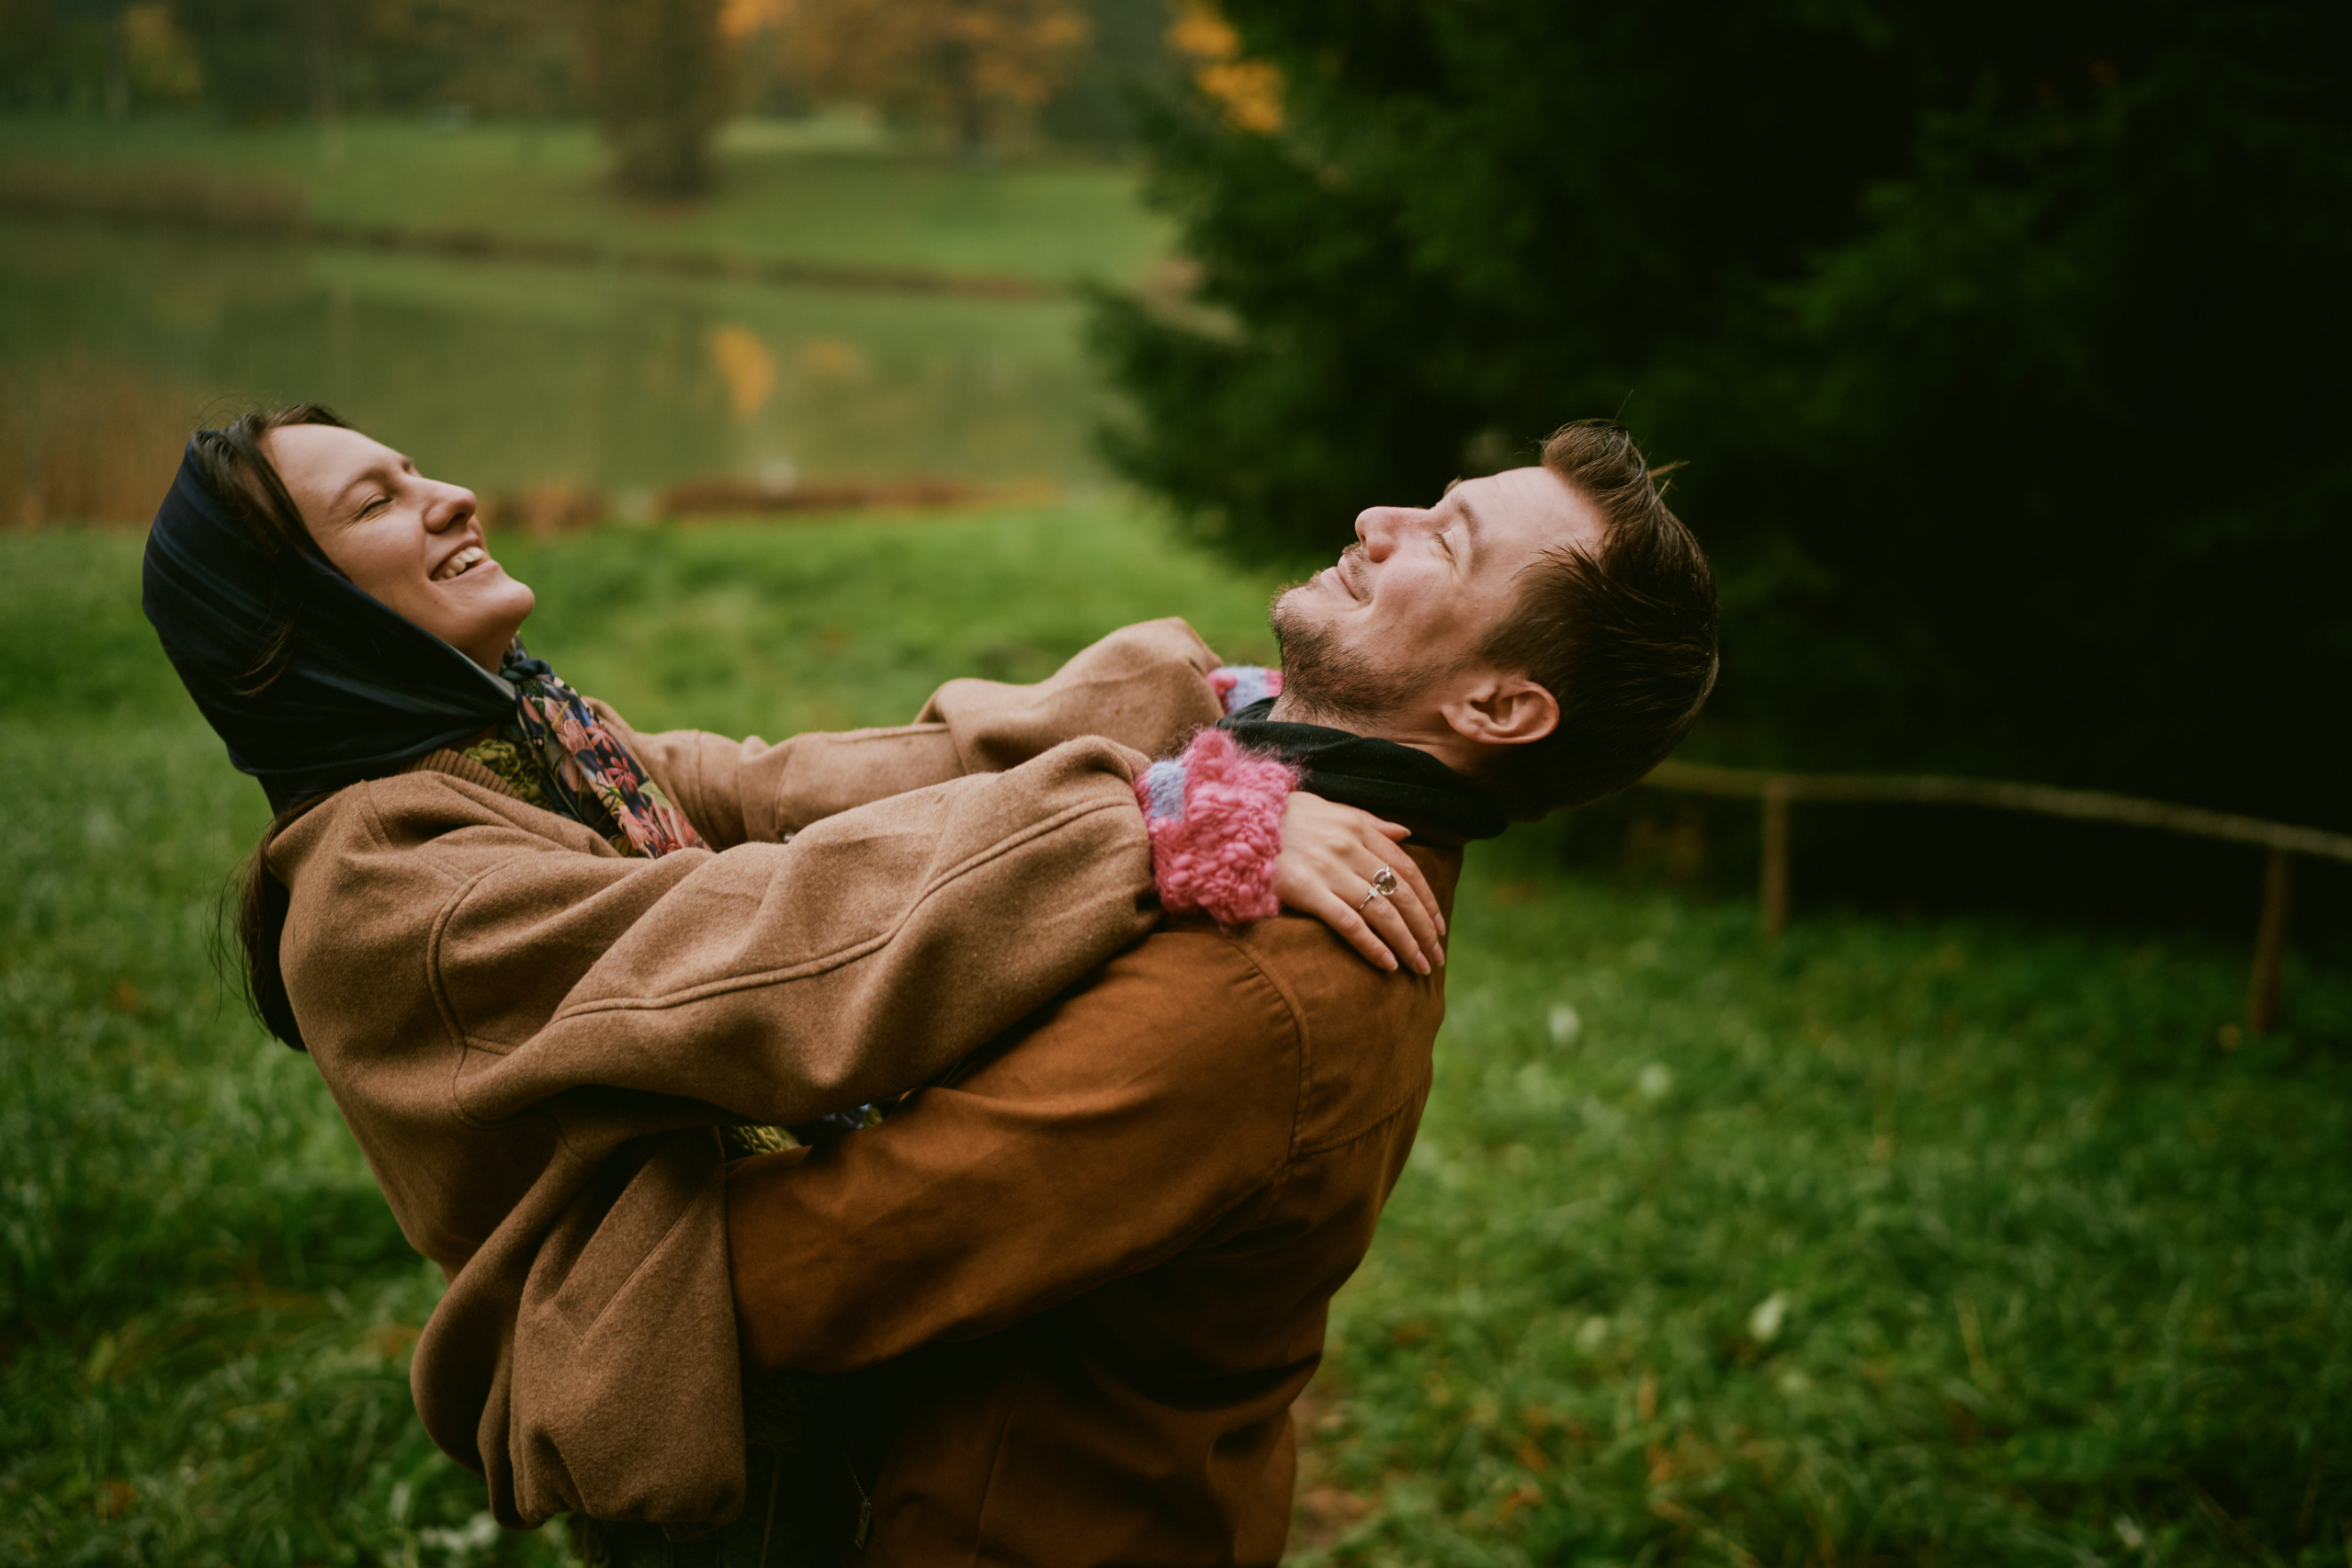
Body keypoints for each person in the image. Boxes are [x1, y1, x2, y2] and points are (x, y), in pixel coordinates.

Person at [138, 406, 1453, 1529]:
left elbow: (773, 792)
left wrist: (1148, 708)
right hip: (707, 1406)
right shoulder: (388, 884)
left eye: (416, 468)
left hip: (799, 1334)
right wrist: (1145, 818)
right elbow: (755, 953)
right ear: (296, 621)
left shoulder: (533, 737)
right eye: (380, 500)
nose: (450, 494)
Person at [684, 421, 1723, 1565]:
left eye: (1446, 541)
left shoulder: (1267, 990)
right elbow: (796, 796)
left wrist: (546, 1149)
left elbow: (818, 1268)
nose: (1378, 525)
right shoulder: (1220, 779)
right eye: (1427, 500)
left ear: (1496, 709)